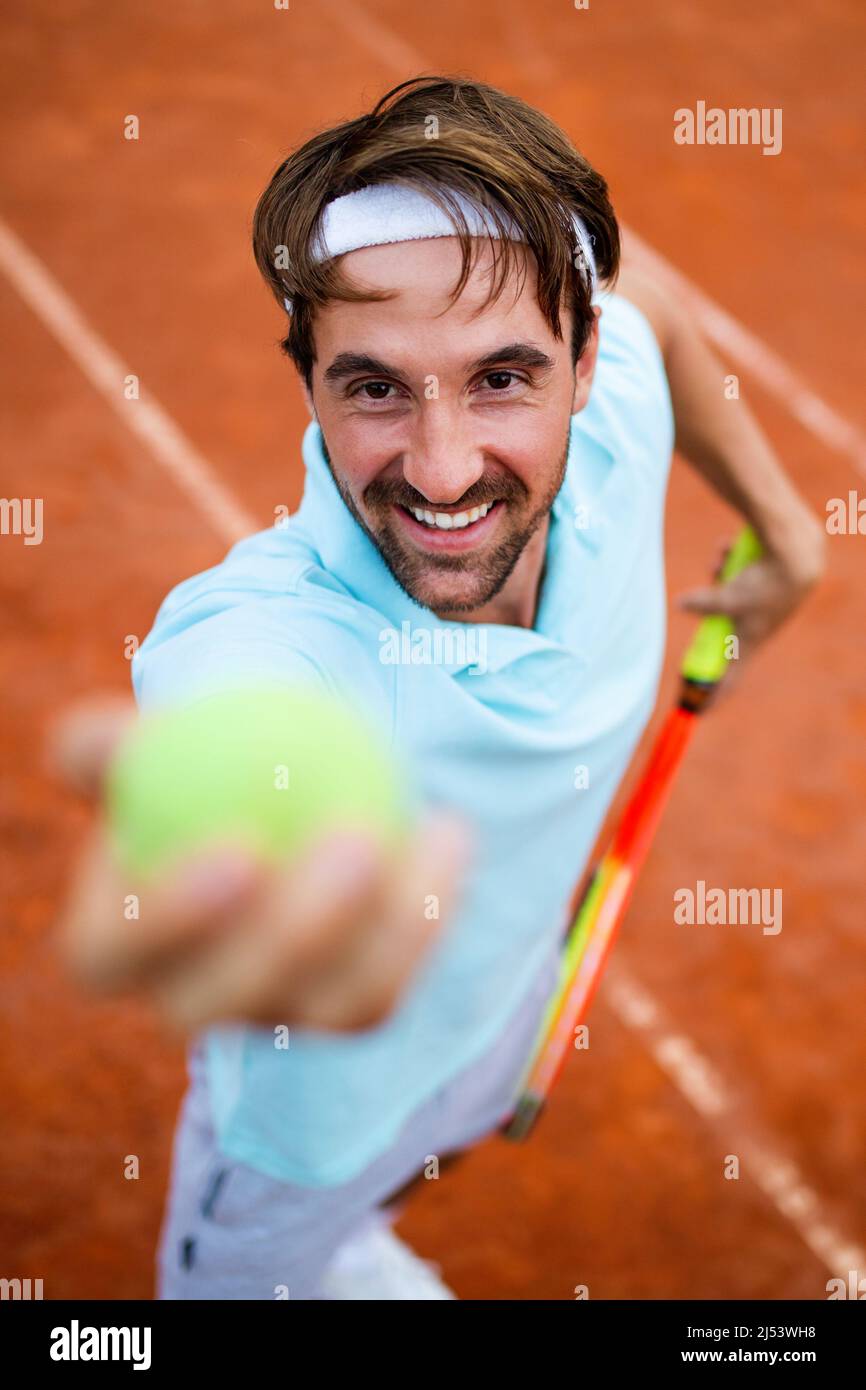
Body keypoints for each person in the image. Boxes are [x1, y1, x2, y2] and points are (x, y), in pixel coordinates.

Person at [55, 76, 825, 1299]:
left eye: (500, 378)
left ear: (582, 360)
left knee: (418, 1164)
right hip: (298, 1143)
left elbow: (655, 304)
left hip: (503, 1011)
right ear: (305, 376)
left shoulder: (614, 421)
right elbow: (245, 718)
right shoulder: (271, 626)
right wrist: (252, 829)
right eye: (372, 386)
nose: (443, 468)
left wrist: (781, 528)